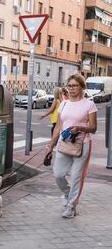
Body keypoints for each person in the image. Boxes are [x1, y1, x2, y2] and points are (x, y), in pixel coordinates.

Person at [45, 74, 97, 218]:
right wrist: (50, 146)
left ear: (81, 87)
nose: (72, 88)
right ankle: (68, 194)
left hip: (82, 144)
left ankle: (71, 206)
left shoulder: (89, 105)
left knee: (76, 177)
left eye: (75, 85)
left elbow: (93, 128)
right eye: (70, 86)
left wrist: (79, 128)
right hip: (64, 142)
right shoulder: (64, 104)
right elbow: (58, 127)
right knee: (58, 174)